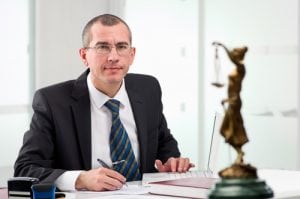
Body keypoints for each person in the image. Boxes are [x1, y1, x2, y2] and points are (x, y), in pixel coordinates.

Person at [14, 14, 194, 191]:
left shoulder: (148, 89)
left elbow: (164, 144)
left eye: (122, 46)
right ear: (84, 56)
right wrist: (80, 179)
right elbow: (25, 169)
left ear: (132, 55)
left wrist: (171, 162)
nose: (113, 57)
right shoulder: (52, 102)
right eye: (102, 47)